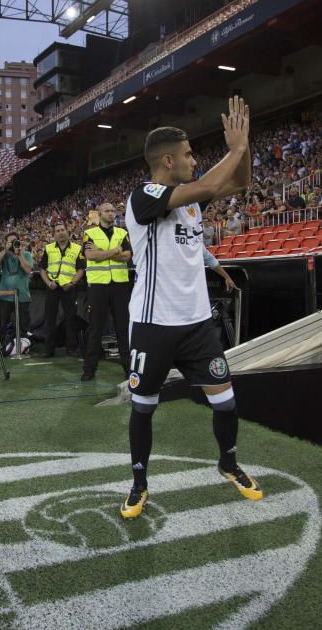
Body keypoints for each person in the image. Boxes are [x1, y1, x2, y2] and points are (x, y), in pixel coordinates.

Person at [120, 96, 263, 520]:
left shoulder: (191, 199)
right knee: (143, 409)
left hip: (197, 324)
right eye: (187, 154)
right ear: (166, 160)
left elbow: (240, 183)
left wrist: (245, 145)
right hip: (153, 324)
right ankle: (139, 483)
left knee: (226, 402)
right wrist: (233, 149)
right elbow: (209, 184)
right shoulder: (144, 194)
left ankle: (229, 463)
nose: (193, 159)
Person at [81, 202, 132, 382]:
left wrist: (104, 253)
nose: (111, 214)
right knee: (95, 328)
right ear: (99, 214)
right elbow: (91, 256)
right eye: (107, 211)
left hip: (119, 285)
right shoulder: (89, 233)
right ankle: (89, 370)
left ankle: (129, 369)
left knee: (123, 329)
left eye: (113, 211)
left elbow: (128, 256)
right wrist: (115, 251)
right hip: (98, 286)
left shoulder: (122, 232)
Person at [39, 222, 84, 357]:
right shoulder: (48, 248)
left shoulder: (77, 248)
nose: (60, 232)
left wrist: (72, 283)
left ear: (67, 231)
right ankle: (49, 350)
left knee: (71, 318)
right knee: (50, 319)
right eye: (57, 230)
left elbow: (81, 269)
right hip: (52, 288)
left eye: (62, 229)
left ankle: (71, 348)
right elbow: (42, 269)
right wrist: (48, 283)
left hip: (68, 288)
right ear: (54, 234)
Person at [0, 230, 33, 350]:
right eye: (9, 242)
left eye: (14, 241)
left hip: (22, 296)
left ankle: (22, 348)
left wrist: (19, 254)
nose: (12, 244)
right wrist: (5, 250)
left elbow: (27, 270)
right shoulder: (4, 254)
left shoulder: (26, 254)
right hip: (5, 295)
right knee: (1, 324)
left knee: (22, 325)